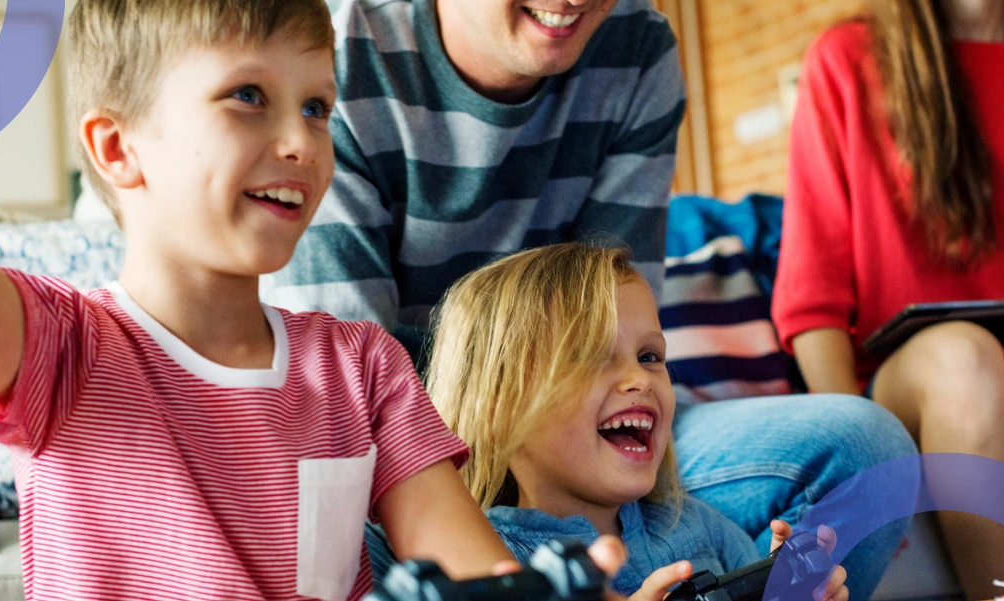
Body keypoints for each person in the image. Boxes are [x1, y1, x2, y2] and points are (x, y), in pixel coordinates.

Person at [0, 0, 628, 599]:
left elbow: (475, 572)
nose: (301, 141)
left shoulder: (362, 367)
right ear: (118, 149)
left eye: (317, 107)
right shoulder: (62, 349)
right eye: (249, 95)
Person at [261, 1, 916, 599]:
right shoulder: (334, 60)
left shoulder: (637, 42)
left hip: (583, 422)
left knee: (865, 448)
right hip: (429, 430)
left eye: (654, 359)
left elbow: (623, 301)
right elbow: (354, 397)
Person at [423, 243, 849, 601]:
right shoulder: (493, 564)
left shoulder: (696, 523)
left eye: (650, 357)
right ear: (499, 407)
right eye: (592, 357)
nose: (639, 379)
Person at [773, 1, 1004, 597]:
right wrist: (855, 452)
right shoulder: (846, 59)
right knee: (966, 363)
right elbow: (812, 297)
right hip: (911, 380)